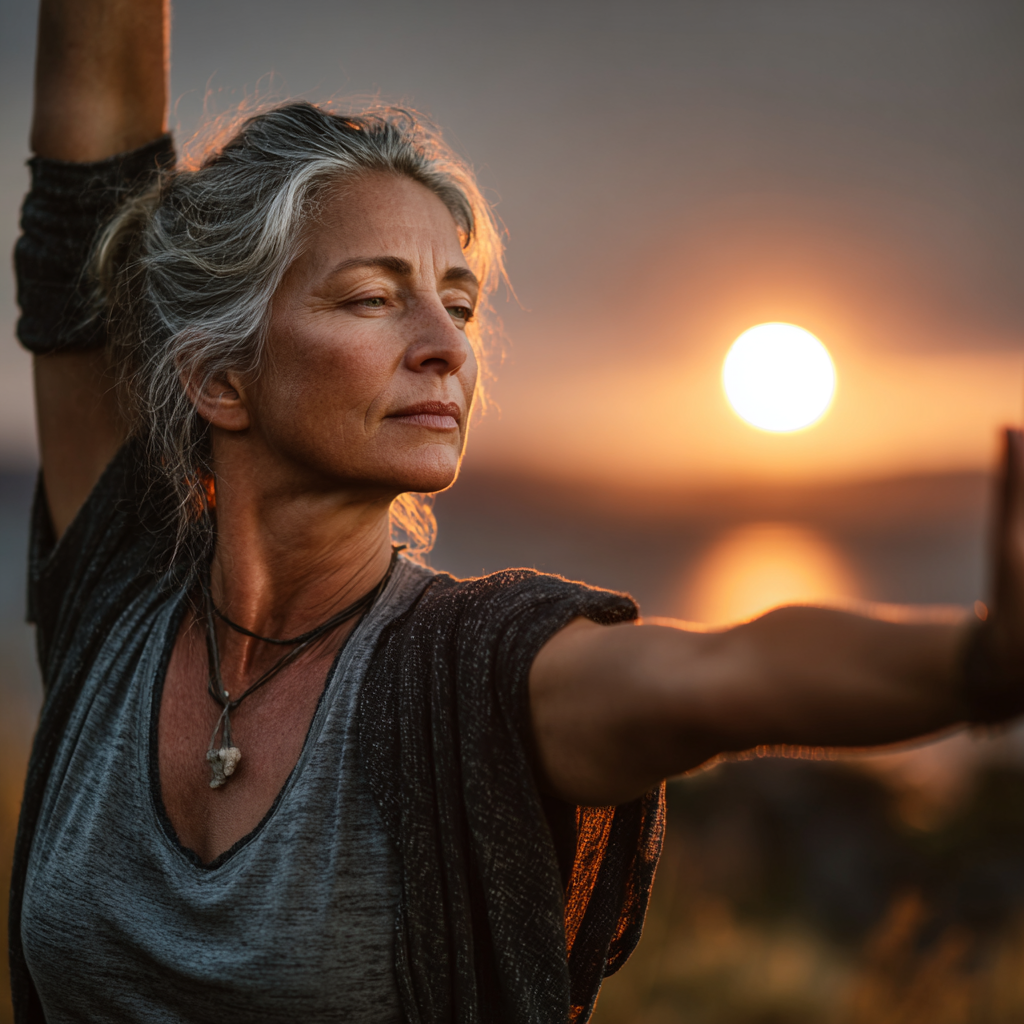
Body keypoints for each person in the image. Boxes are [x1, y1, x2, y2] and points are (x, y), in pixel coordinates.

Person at [8, 1, 1023, 1022]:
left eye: (457, 301)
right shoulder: (120, 585)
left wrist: (977, 664)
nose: (446, 345)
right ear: (220, 378)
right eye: (372, 296)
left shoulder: (475, 673)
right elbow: (87, 174)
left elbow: (726, 673)